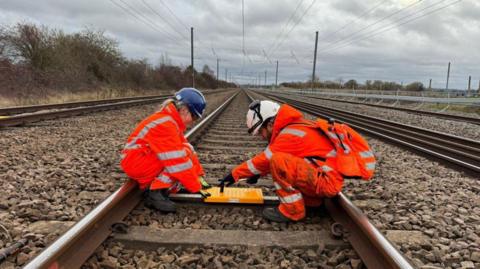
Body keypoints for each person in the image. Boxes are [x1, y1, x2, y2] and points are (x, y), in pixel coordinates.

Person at [219, 100, 375, 222]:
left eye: (261, 131)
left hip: (325, 182)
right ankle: (312, 202)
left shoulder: (289, 134)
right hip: (323, 176)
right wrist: (257, 174)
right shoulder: (294, 127)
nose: (261, 136)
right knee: (280, 161)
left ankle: (292, 211)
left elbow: (266, 159)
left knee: (278, 161)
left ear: (271, 123)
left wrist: (234, 174)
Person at [120, 88, 211, 213]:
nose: (193, 122)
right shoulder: (166, 124)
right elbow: (178, 163)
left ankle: (160, 188)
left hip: (141, 158)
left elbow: (186, 149)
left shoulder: (171, 121)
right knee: (177, 161)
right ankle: (154, 193)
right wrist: (195, 187)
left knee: (186, 149)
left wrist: (199, 176)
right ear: (184, 110)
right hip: (136, 162)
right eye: (194, 117)